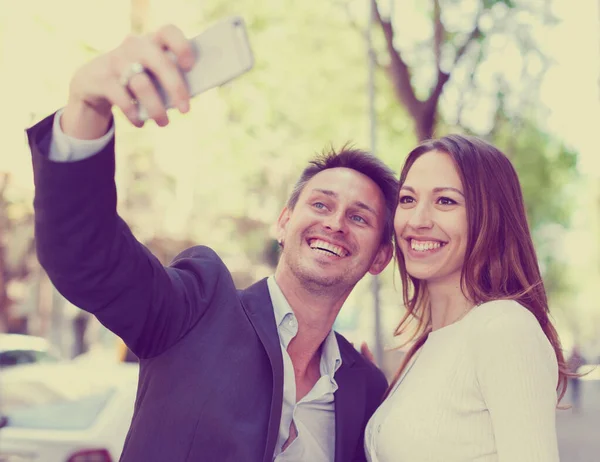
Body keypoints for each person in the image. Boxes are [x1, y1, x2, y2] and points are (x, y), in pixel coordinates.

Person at [26, 24, 398, 462]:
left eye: (359, 217)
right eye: (320, 204)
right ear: (283, 223)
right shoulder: (196, 307)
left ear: (380, 257)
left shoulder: (366, 388)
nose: (335, 223)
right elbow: (86, 257)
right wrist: (86, 109)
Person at [365, 135, 568, 462]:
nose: (418, 220)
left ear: (490, 216)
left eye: (445, 201)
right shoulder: (427, 347)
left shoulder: (504, 329)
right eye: (407, 199)